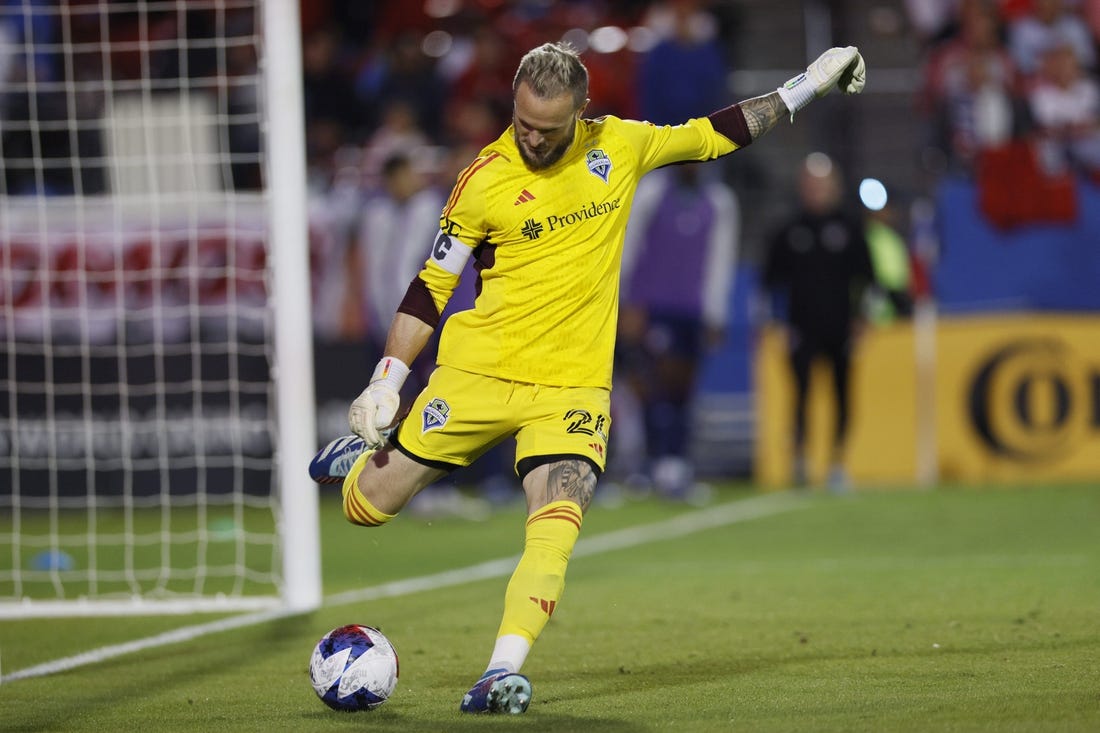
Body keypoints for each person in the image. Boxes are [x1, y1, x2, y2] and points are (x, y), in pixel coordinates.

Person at [310, 42, 866, 714]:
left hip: (572, 387)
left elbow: (717, 134)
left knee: (557, 521)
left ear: (584, 111)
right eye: (521, 123)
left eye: (547, 127)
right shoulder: (483, 176)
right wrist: (388, 380)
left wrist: (808, 83)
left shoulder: (620, 146)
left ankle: (498, 672)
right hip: (478, 372)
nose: (532, 138)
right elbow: (431, 287)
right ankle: (363, 461)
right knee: (370, 506)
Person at [618, 162, 739, 498]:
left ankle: (674, 465)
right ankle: (654, 464)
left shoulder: (720, 200)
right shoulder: (653, 192)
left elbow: (721, 259)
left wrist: (716, 314)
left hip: (692, 310)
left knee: (683, 390)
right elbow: (629, 243)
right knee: (651, 386)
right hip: (653, 306)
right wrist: (627, 300)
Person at [762, 152, 876, 492]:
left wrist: (862, 320)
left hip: (840, 328)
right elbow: (771, 283)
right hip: (800, 329)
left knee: (843, 394)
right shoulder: (788, 231)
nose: (816, 191)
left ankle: (838, 462)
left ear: (834, 187)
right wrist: (779, 323)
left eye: (822, 184)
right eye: (811, 184)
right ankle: (800, 460)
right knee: (801, 395)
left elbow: (868, 281)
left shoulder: (851, 228)